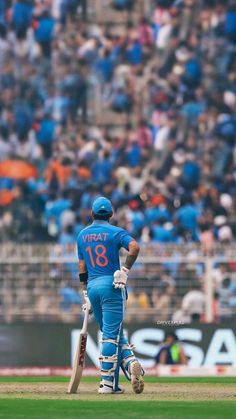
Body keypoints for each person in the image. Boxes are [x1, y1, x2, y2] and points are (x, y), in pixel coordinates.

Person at [77, 196, 144, 394]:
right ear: (112, 214)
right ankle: (107, 383)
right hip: (112, 286)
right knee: (110, 335)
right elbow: (135, 247)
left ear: (92, 213)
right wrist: (125, 270)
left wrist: (84, 292)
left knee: (112, 333)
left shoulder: (82, 235)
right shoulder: (116, 232)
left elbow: (82, 266)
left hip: (92, 287)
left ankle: (129, 365)